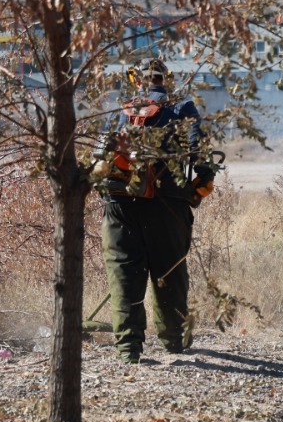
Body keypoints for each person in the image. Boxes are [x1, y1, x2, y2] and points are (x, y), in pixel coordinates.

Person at [91, 58, 216, 363]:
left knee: (123, 275)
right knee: (170, 273)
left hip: (119, 204)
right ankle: (174, 342)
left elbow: (97, 159)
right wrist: (200, 185)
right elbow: (201, 154)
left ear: (135, 80)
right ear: (166, 80)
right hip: (167, 205)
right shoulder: (182, 107)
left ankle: (128, 350)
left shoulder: (119, 110)